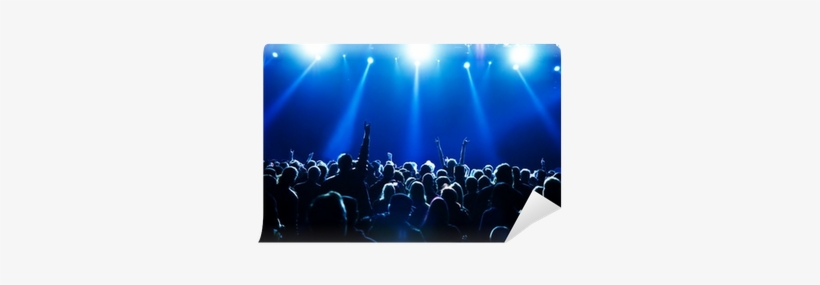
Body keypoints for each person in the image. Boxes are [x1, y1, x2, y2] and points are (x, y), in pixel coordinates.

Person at [321, 122, 373, 218]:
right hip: (356, 219)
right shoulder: (357, 178)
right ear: (351, 164)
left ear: (338, 164)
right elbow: (363, 156)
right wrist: (366, 135)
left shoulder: (328, 183)